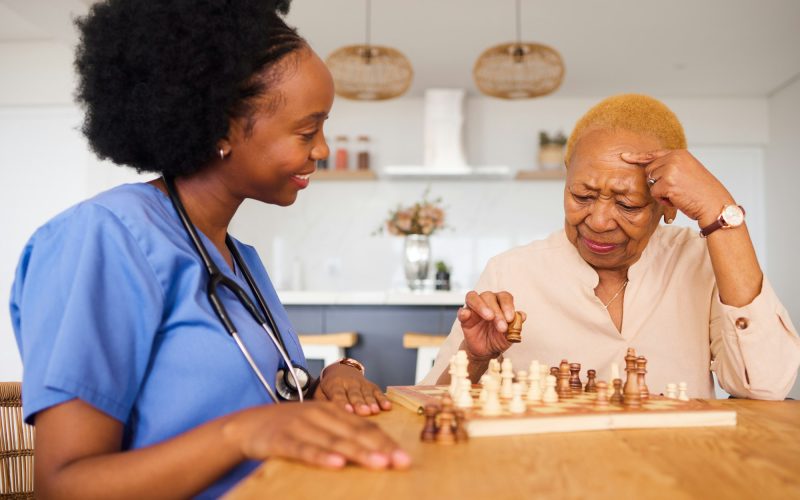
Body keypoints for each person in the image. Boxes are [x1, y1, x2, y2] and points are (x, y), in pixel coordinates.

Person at [9, 1, 410, 498]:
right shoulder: (103, 239)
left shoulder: (239, 260)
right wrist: (244, 433)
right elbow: (63, 486)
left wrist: (325, 382)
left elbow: (260, 394)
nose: (322, 149)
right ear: (220, 127)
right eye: (307, 131)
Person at [422, 94, 800, 400]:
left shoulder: (703, 261)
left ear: (666, 205)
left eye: (627, 204)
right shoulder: (512, 272)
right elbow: (428, 403)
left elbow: (766, 385)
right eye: (582, 196)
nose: (599, 222)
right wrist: (474, 358)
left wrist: (721, 213)